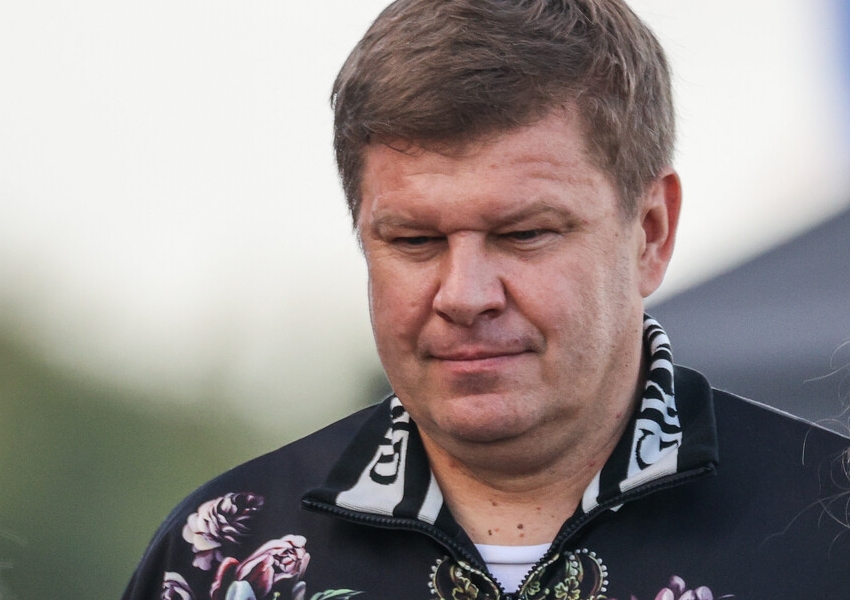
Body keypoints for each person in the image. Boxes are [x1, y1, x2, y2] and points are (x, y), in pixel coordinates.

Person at [122, 1, 850, 598]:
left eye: (524, 233)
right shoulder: (215, 557)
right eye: (414, 240)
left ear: (650, 232)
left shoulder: (833, 530)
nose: (465, 296)